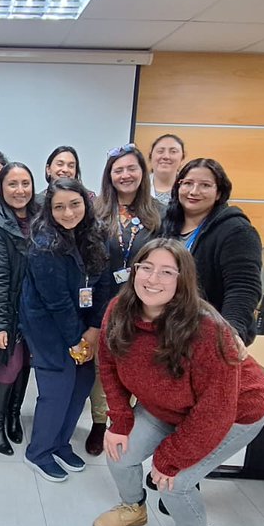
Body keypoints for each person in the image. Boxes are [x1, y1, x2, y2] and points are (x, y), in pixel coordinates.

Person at [93, 239, 264, 526]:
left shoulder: (207, 329)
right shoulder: (119, 308)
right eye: (145, 268)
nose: (152, 279)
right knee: (118, 454)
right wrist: (120, 419)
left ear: (182, 280)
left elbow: (216, 409)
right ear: (133, 271)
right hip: (168, 405)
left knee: (175, 483)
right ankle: (133, 507)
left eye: (166, 272)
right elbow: (110, 364)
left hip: (236, 411)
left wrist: (171, 457)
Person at [21, 178, 112, 482]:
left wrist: (95, 329)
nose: (68, 212)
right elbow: (56, 301)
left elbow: (104, 286)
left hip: (84, 324)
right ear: (49, 210)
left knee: (82, 383)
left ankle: (60, 444)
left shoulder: (96, 234)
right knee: (58, 387)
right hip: (48, 326)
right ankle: (39, 452)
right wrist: (78, 339)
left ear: (85, 203)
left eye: (74, 204)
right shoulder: (43, 244)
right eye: (59, 207)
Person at [85, 144, 163, 456]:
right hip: (105, 300)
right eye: (118, 170)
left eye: (131, 168)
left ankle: (131, 422)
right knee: (104, 367)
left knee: (139, 365)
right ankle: (99, 422)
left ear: (142, 173)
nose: (125, 175)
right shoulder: (97, 211)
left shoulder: (160, 214)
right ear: (109, 176)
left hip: (147, 304)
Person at [160, 159, 262, 345]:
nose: (194, 191)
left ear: (219, 193)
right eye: (188, 183)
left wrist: (230, 333)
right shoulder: (167, 224)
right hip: (168, 330)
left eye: (205, 185)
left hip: (207, 336)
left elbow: (243, 288)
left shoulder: (236, 230)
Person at [0, 162, 38, 456]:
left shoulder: (42, 216)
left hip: (37, 310)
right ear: (2, 188)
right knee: (10, 364)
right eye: (12, 184)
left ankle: (14, 416)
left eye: (25, 183)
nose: (20, 190)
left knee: (27, 362)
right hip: (11, 309)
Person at [149, 134, 185, 206]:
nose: (166, 156)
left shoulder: (189, 189)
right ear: (150, 156)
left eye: (173, 151)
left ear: (182, 159)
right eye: (160, 151)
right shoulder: (138, 186)